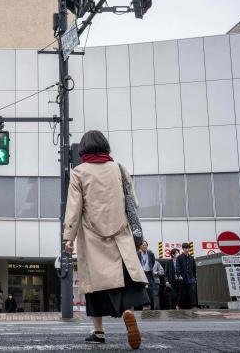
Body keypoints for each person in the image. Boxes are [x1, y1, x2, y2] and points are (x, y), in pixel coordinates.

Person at [64, 130, 148, 350]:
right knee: (122, 280)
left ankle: (98, 331)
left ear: (83, 149)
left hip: (92, 238)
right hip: (120, 235)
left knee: (95, 286)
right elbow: (133, 202)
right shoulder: (120, 169)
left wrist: (68, 237)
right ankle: (128, 312)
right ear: (105, 146)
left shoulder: (79, 172)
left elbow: (74, 207)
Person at [137, 241, 159, 310]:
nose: (145, 246)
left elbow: (152, 262)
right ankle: (144, 305)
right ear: (140, 246)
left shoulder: (150, 254)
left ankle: (149, 305)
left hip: (149, 273)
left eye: (146, 245)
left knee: (150, 289)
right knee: (143, 289)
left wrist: (149, 268)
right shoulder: (138, 254)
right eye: (143, 245)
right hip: (141, 273)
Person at [175, 243, 196, 310]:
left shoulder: (192, 258)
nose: (187, 250)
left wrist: (194, 277)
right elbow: (177, 267)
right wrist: (179, 275)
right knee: (182, 294)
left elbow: (194, 268)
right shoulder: (179, 258)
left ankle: (194, 306)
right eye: (185, 248)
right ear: (183, 249)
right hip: (183, 278)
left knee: (192, 292)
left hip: (191, 278)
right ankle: (179, 306)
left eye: (188, 248)